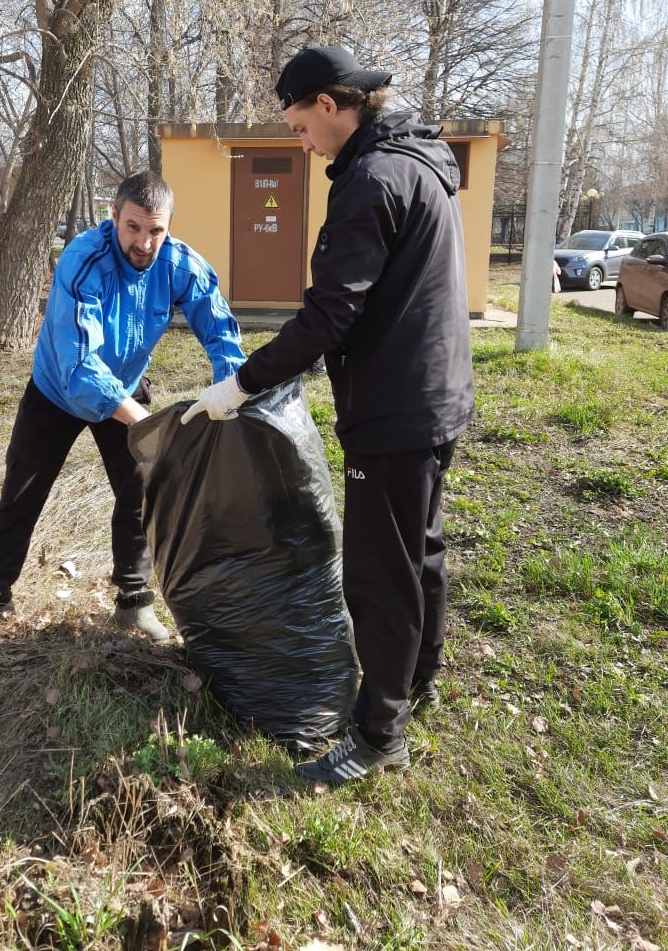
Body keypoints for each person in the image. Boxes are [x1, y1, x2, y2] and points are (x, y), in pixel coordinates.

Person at [182, 46, 474, 782]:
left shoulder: (371, 180)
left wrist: (240, 384)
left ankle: (378, 735)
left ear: (329, 105)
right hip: (437, 396)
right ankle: (412, 686)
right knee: (421, 554)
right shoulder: (419, 162)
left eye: (300, 127)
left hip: (394, 408)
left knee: (380, 576)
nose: (300, 145)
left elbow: (331, 313)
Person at [0, 170, 245, 641]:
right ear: (112, 217)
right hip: (58, 390)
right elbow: (79, 366)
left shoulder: (179, 264)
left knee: (140, 492)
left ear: (168, 227)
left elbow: (219, 326)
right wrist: (145, 424)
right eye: (133, 226)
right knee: (23, 491)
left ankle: (133, 602)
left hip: (126, 382)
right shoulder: (83, 261)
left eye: (156, 230)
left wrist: (230, 388)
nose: (145, 242)